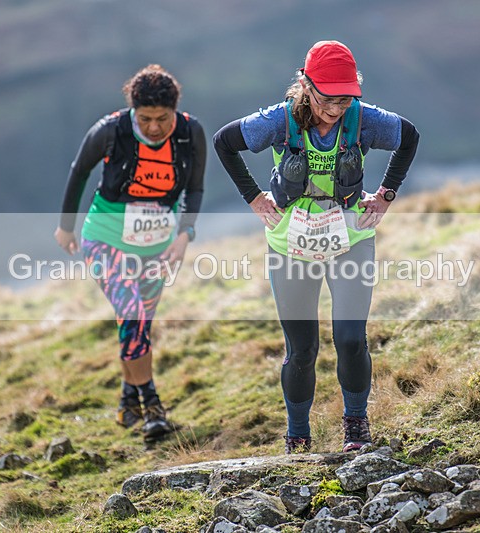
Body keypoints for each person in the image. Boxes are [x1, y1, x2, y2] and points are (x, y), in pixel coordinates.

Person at [214, 41, 419, 453]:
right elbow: (224, 142)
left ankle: (356, 427)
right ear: (306, 86)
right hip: (291, 242)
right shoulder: (278, 120)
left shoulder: (362, 119)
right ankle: (298, 437)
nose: (335, 108)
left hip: (351, 237)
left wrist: (386, 194)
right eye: (328, 98)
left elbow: (409, 136)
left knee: (349, 338)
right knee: (302, 348)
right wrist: (254, 197)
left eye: (345, 98)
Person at [55, 64, 206, 442]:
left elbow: (196, 190)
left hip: (157, 245)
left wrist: (185, 233)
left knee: (138, 324)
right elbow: (79, 172)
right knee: (133, 314)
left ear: (175, 110)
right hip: (104, 236)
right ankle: (152, 405)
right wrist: (66, 225)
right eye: (146, 118)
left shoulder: (191, 133)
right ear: (132, 111)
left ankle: (127, 397)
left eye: (162, 118)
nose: (154, 127)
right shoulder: (110, 130)